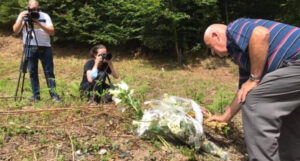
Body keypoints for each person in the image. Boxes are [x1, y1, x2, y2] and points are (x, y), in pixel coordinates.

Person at [203, 18, 300, 161]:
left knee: (255, 101)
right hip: (293, 69)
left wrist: (254, 79)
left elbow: (260, 34)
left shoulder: (233, 28)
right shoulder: (243, 57)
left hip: (296, 62)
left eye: (210, 47)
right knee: (287, 114)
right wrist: (225, 117)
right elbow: (243, 91)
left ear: (215, 35)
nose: (212, 53)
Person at [13, 0, 61, 102]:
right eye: (32, 9)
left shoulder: (45, 16)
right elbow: (15, 31)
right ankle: (36, 96)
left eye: (36, 9)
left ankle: (54, 95)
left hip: (45, 47)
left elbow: (52, 32)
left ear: (39, 8)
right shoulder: (23, 15)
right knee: (32, 72)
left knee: (49, 72)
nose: (34, 11)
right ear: (28, 7)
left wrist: (38, 23)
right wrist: (22, 18)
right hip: (30, 46)